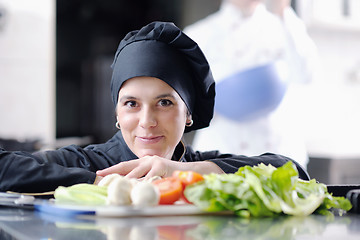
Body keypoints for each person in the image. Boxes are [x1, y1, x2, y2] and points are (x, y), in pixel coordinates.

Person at [0, 21, 309, 193]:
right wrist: (102, 181)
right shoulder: (88, 163)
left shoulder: (198, 168)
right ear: (117, 114)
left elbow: (292, 171)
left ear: (188, 114)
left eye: (164, 102)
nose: (147, 121)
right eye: (131, 104)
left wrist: (182, 172)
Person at [184, 0, 318, 169]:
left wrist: (283, 11)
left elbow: (306, 74)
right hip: (220, 153)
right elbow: (183, 101)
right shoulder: (198, 34)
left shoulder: (284, 25)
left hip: (278, 152)